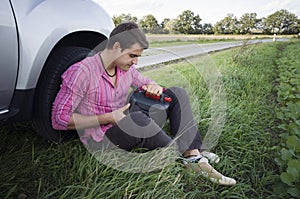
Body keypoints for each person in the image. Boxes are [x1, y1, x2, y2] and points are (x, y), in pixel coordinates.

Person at [52, 22, 236, 186]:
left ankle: (193, 153)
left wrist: (154, 86)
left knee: (176, 92)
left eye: (138, 56)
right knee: (138, 120)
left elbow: (145, 81)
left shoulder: (127, 69)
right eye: (132, 55)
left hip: (127, 119)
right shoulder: (81, 72)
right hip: (101, 137)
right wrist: (109, 118)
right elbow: (59, 119)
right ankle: (190, 158)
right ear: (116, 46)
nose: (135, 62)